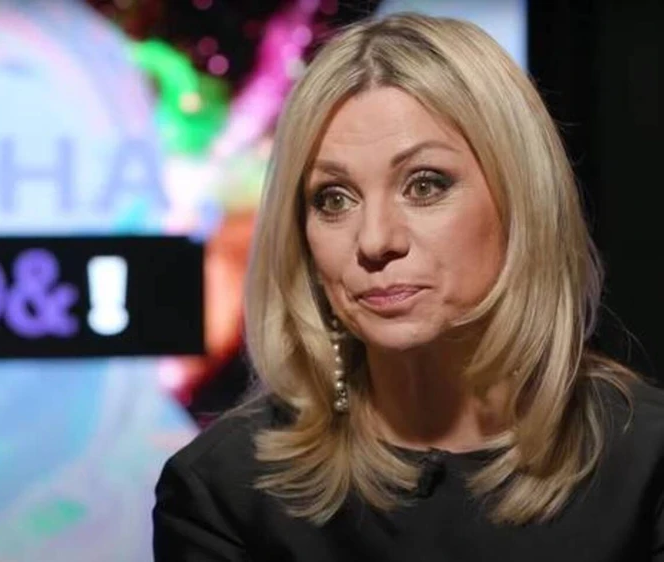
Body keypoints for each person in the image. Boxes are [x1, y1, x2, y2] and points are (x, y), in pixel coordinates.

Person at [152, 12, 664, 561]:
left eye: (425, 185)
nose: (375, 240)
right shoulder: (223, 494)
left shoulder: (647, 463)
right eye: (333, 199)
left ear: (521, 201)